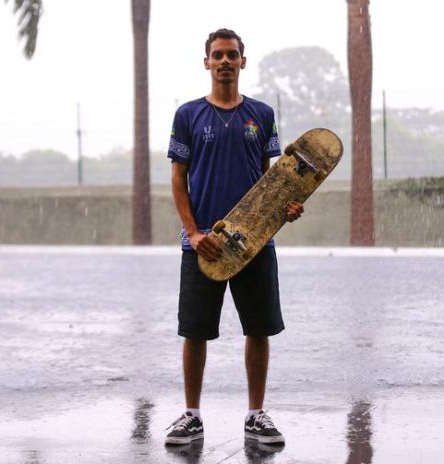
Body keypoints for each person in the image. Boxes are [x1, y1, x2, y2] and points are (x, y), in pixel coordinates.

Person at [165, 28, 304, 446]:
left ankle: (256, 414)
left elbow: (273, 181)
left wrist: (286, 209)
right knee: (195, 331)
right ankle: (191, 415)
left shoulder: (261, 115)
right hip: (202, 244)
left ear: (243, 61)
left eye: (232, 55)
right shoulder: (188, 115)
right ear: (206, 62)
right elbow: (177, 180)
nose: (225, 61)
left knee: (257, 329)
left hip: (256, 242)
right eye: (217, 55)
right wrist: (192, 231)